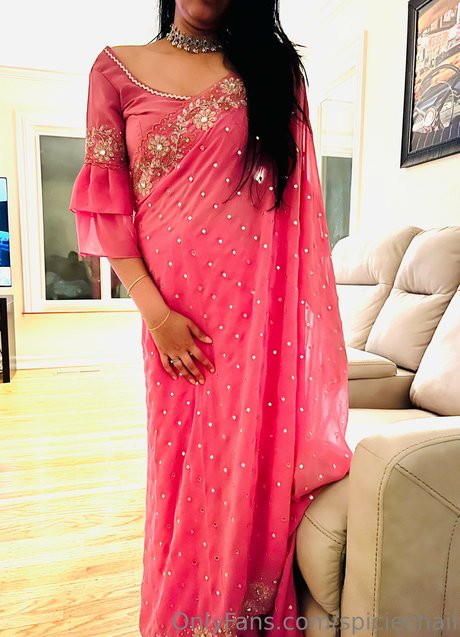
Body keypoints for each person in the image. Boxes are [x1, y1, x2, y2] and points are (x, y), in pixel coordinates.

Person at [69, 1, 353, 636]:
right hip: (171, 319)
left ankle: (234, 614)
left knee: (240, 464)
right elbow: (109, 208)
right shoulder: (114, 70)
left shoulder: (272, 74)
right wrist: (156, 316)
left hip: (255, 318)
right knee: (179, 470)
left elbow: (295, 207)